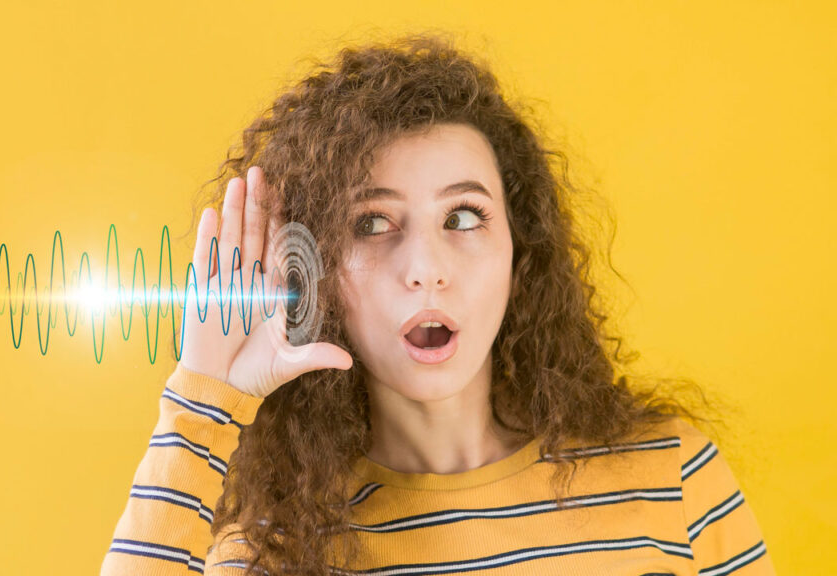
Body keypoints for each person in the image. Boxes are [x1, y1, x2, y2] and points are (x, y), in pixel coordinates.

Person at [100, 32, 776, 576]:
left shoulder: (673, 482)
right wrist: (206, 400)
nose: (425, 271)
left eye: (463, 217)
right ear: (316, 273)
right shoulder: (273, 558)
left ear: (522, 247)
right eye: (370, 223)